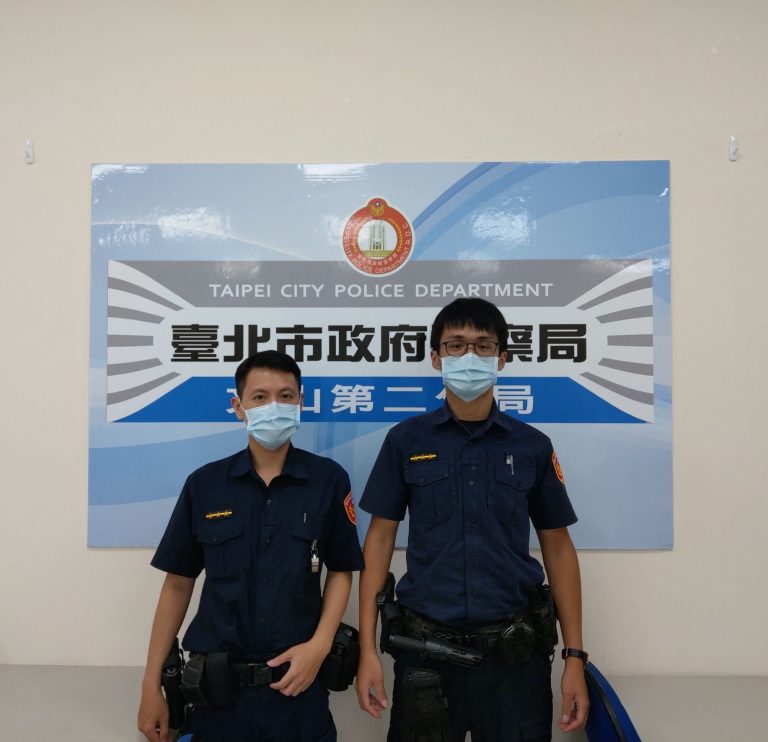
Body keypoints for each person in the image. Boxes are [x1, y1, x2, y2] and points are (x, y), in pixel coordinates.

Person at [355, 298, 589, 742]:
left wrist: (574, 657)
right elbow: (380, 540)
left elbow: (558, 547)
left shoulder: (532, 446)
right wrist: (368, 650)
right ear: (436, 357)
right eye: (456, 345)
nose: (470, 356)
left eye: (483, 346)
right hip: (426, 655)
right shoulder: (405, 441)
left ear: (501, 358)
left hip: (514, 661)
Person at [138, 350, 364, 742]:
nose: (274, 406)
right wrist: (149, 684)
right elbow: (177, 584)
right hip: (217, 695)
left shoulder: (328, 480)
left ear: (301, 402)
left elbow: (341, 570)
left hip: (298, 689)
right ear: (238, 407)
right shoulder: (205, 485)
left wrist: (319, 645)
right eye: (260, 397)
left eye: (286, 396)